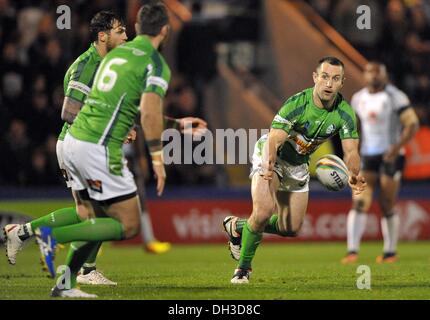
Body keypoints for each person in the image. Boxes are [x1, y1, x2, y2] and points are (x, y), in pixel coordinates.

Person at [4, 2, 205, 298]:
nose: (123, 37)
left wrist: (175, 125)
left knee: (89, 213)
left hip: (80, 142)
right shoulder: (98, 64)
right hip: (87, 143)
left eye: (126, 30)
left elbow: (124, 108)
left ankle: (58, 272)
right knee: (122, 222)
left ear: (138, 28)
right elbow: (70, 111)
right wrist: (154, 156)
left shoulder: (113, 59)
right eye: (118, 31)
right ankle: (54, 242)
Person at [223, 56, 367, 284]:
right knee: (262, 212)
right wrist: (268, 164)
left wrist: (354, 173)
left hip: (299, 164)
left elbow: (351, 151)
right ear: (315, 78)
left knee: (291, 228)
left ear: (342, 83)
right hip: (273, 155)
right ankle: (243, 270)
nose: (329, 84)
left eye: (335, 79)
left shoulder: (345, 113)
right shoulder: (297, 104)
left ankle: (237, 226)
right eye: (325, 77)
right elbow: (275, 139)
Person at [341, 62, 419, 264]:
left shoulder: (395, 96)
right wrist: (351, 153)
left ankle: (390, 252)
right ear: (365, 75)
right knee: (359, 201)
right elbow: (352, 127)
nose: (374, 76)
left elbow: (412, 123)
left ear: (385, 75)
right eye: (370, 72)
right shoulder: (358, 98)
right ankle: (352, 251)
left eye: (378, 72)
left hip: (391, 156)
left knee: (386, 203)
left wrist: (396, 146)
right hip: (367, 156)